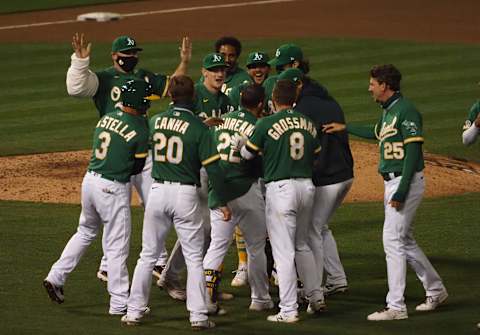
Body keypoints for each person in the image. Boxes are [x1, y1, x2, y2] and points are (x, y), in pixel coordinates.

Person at [324, 64, 448, 321]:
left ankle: (396, 307)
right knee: (404, 240)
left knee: (392, 241)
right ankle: (435, 289)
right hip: (394, 181)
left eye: (372, 83)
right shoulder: (389, 112)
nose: (369, 88)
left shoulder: (407, 111)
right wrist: (344, 127)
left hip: (405, 181)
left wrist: (402, 191)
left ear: (384, 85)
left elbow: (414, 152)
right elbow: (377, 132)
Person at [66, 32, 191, 283]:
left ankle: (158, 259)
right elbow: (76, 88)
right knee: (113, 210)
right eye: (126, 54)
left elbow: (173, 87)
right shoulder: (102, 78)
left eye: (134, 54)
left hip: (142, 147)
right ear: (114, 56)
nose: (131, 58)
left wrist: (185, 61)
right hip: (116, 152)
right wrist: (80, 62)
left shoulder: (143, 75)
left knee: (153, 203)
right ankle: (107, 266)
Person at [121, 75, 231, 330]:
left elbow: (169, 133)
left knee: (147, 255)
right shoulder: (199, 129)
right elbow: (214, 170)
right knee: (194, 258)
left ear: (170, 96)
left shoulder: (156, 121)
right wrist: (222, 201)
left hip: (157, 192)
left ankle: (134, 312)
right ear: (193, 96)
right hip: (185, 196)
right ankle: (198, 317)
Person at [43, 79, 152, 315]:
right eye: (146, 101)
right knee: (116, 247)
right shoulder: (141, 128)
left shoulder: (108, 117)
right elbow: (138, 168)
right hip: (112, 190)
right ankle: (120, 303)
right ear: (138, 102)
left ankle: (56, 276)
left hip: (90, 182)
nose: (148, 105)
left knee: (85, 232)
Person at [233, 80, 324, 323]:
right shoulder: (308, 123)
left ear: (274, 98)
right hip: (306, 187)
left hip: (281, 189)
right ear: (294, 98)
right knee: (302, 245)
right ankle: (316, 298)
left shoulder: (266, 122)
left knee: (283, 253)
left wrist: (242, 145)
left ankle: (288, 309)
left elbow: (247, 154)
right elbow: (315, 157)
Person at [279, 68, 353, 296]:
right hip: (345, 174)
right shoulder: (328, 100)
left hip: (328, 177)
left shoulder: (303, 109)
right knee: (320, 227)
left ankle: (316, 289)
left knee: (312, 231)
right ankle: (337, 279)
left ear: (300, 85)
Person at [203, 84, 272, 314]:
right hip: (247, 191)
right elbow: (261, 165)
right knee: (256, 247)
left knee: (217, 246)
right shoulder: (259, 125)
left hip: (220, 191)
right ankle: (260, 299)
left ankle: (205, 301)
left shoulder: (221, 121)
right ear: (261, 103)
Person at [226, 51, 271, 287]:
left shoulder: (273, 87)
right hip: (247, 171)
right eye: (254, 66)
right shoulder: (238, 91)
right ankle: (244, 266)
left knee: (268, 222)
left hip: (256, 169)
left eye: (262, 66)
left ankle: (270, 269)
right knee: (248, 225)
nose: (258, 70)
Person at [263, 43, 308, 115]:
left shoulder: (308, 88)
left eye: (281, 67)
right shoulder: (269, 83)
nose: (278, 71)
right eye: (277, 67)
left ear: (295, 64)